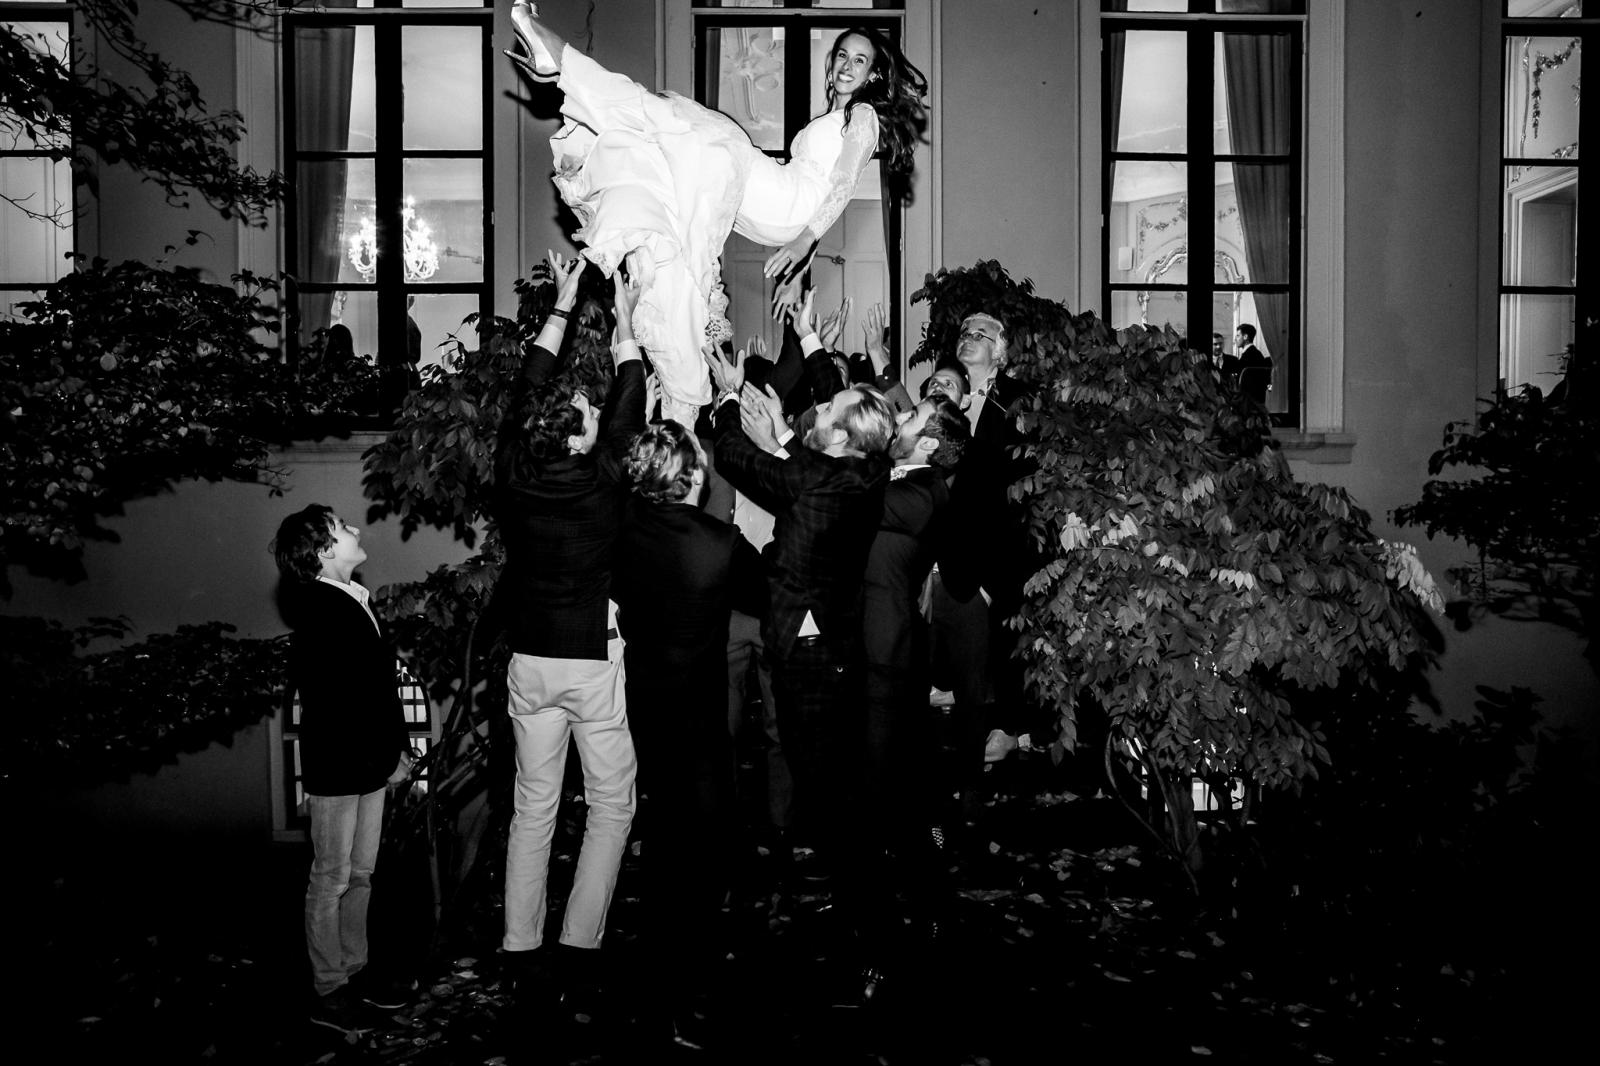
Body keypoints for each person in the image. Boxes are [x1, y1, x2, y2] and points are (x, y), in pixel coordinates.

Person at [507, 2, 928, 426]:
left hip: (783, 200)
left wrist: (800, 243)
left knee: (692, 129)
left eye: (859, 60)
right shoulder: (836, 116)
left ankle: (561, 62)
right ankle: (563, 72)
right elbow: (820, 198)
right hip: (781, 206)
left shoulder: (865, 116)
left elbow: (839, 188)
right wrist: (798, 270)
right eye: (841, 55)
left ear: (874, 73)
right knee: (677, 150)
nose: (846, 66)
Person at [704, 341, 896, 1001]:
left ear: (842, 436)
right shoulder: (869, 471)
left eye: (831, 407)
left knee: (830, 806)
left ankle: (867, 946)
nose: (821, 406)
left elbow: (734, 457)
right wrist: (814, 345)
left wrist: (727, 396)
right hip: (834, 646)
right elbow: (834, 409)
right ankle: (859, 910)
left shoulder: (814, 478)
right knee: (836, 798)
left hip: (808, 655)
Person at [493, 253, 645, 1010]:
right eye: (586, 415)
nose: (594, 411)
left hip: (529, 657)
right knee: (613, 805)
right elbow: (631, 390)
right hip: (589, 658)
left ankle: (520, 946)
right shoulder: (606, 476)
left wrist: (559, 303)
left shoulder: (517, 470)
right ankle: (578, 941)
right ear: (584, 438)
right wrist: (619, 311)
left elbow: (529, 389)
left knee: (534, 805)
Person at [610, 420, 767, 1045]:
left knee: (661, 845)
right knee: (701, 857)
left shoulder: (621, 531)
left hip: (643, 706)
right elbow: (773, 593)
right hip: (699, 719)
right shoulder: (721, 543)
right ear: (694, 476)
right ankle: (687, 997)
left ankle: (653, 994)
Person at [271, 504, 414, 1033]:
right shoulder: (320, 608)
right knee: (330, 879)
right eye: (343, 527)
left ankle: (357, 971)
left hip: (368, 765)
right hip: (340, 767)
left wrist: (395, 753)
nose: (356, 529)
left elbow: (379, 692)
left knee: (360, 874)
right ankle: (329, 988)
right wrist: (386, 759)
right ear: (326, 551)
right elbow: (341, 704)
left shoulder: (354, 599)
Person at [1235, 323, 1273, 406]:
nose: (1235, 339)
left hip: (1250, 402)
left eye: (1238, 336)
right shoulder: (1254, 353)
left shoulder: (1251, 355)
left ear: (1245, 337)